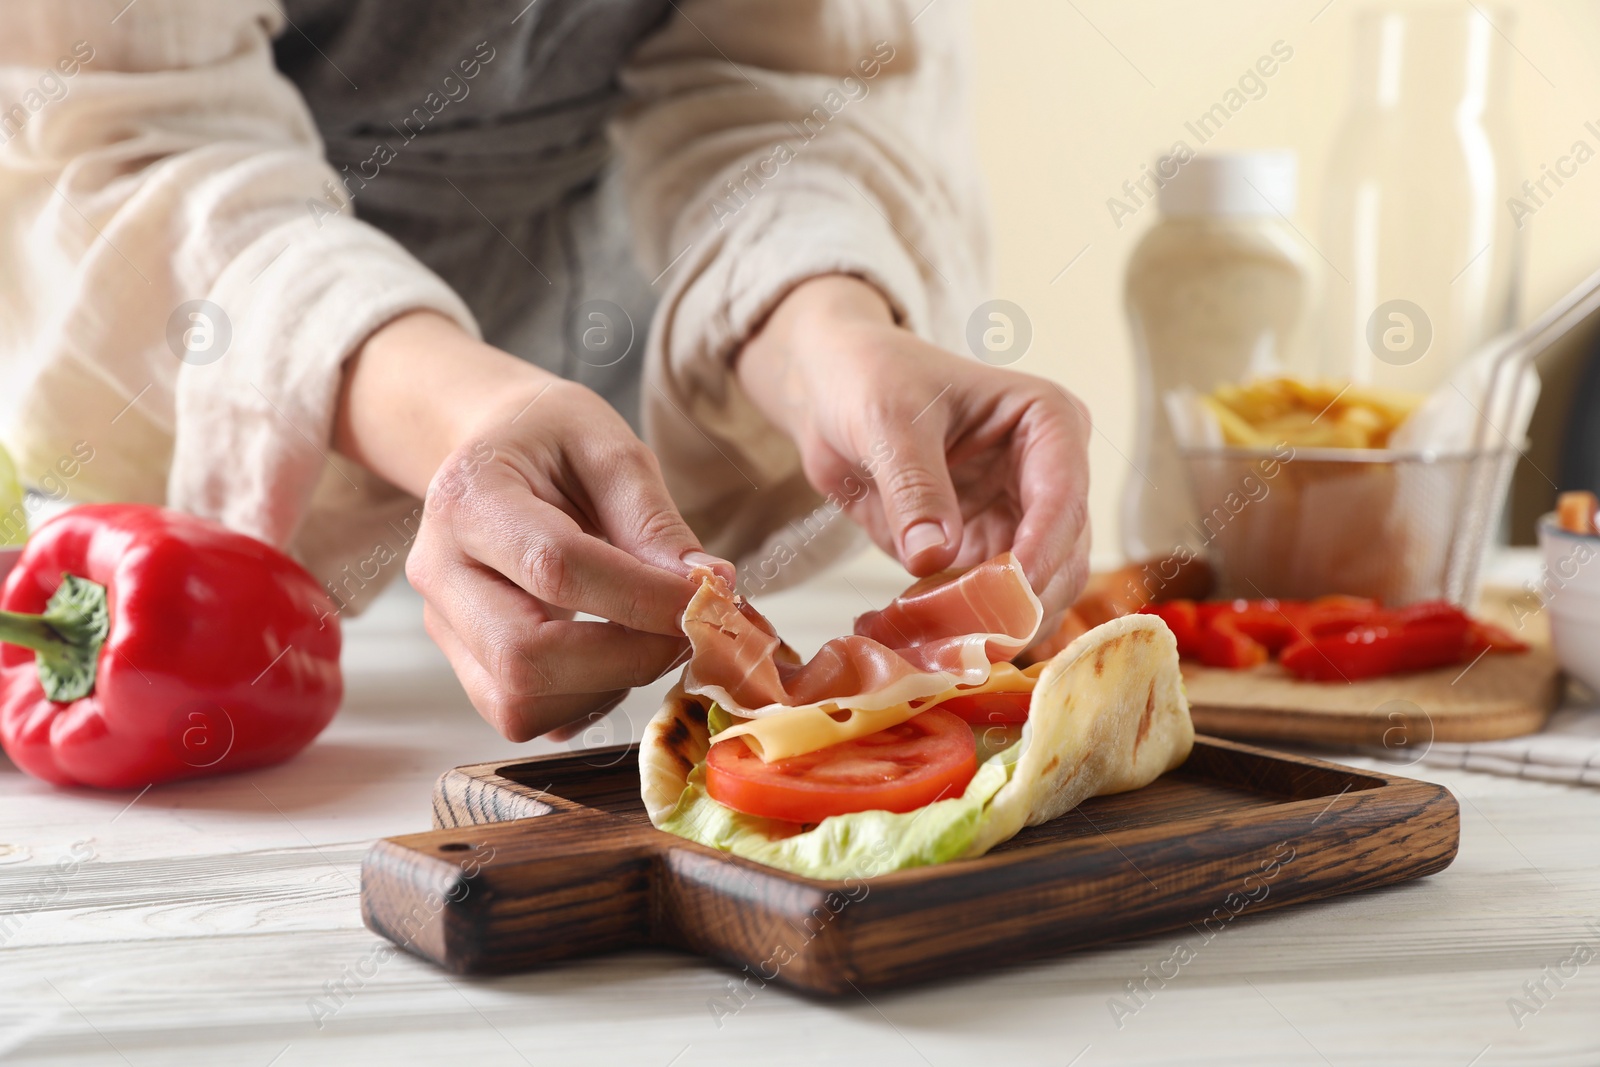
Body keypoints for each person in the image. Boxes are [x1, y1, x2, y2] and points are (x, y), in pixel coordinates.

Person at [0, 1, 1091, 742]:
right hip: (242, 454)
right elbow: (123, 134)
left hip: (656, 364)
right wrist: (469, 415)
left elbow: (777, 73)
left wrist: (829, 332)